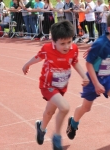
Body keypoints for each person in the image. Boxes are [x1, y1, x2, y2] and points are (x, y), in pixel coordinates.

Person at [66, 10, 110, 150]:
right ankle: (73, 122)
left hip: (109, 77)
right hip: (94, 79)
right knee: (86, 108)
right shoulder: (101, 44)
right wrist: (96, 84)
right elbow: (88, 64)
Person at [22, 20, 89, 150]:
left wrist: (84, 75)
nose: (67, 46)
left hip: (62, 86)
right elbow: (38, 57)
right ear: (53, 41)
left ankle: (41, 128)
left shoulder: (74, 49)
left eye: (69, 42)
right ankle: (57, 137)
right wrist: (27, 64)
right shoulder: (47, 49)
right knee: (64, 107)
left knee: (49, 112)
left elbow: (74, 62)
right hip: (47, 85)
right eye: (62, 43)